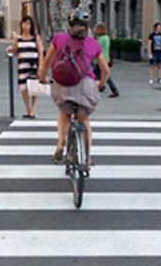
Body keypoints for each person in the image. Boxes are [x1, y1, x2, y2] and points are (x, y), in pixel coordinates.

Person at [37, 9, 109, 169]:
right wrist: (101, 84)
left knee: (64, 113)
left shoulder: (59, 39)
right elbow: (106, 70)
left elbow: (46, 64)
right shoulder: (94, 43)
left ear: (69, 25)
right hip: (86, 86)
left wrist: (43, 78)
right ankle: (88, 159)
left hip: (62, 85)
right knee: (84, 120)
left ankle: (61, 144)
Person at [6, 16, 44, 119]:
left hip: (34, 64)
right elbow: (15, 51)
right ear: (21, 25)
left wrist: (41, 66)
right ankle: (28, 109)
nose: (26, 26)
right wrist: (11, 46)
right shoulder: (18, 38)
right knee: (24, 88)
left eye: (28, 24)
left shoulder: (35, 37)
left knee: (34, 88)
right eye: (24, 23)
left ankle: (33, 109)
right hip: (22, 65)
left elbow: (40, 51)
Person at [94, 22, 119, 97]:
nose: (95, 30)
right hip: (105, 58)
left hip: (101, 59)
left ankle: (113, 89)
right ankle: (102, 85)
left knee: (104, 75)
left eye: (96, 29)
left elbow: (96, 47)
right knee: (98, 73)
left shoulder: (101, 39)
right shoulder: (106, 37)